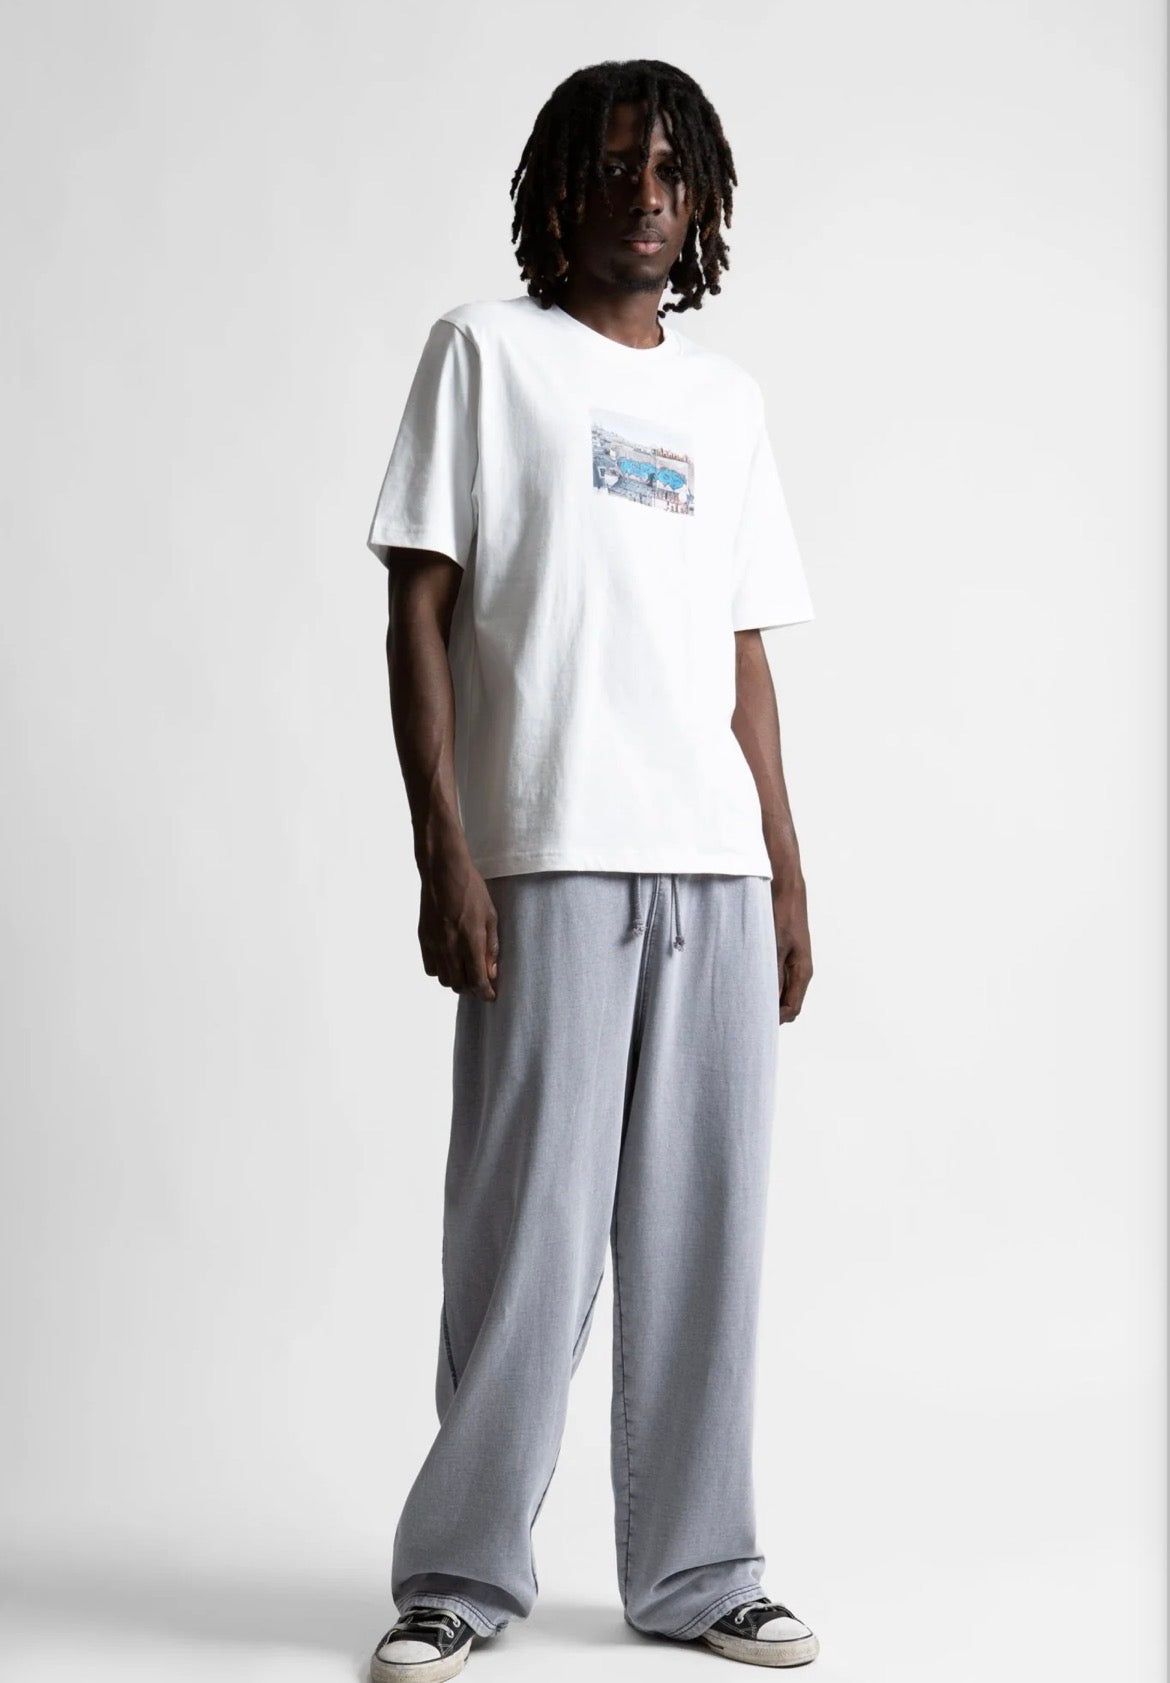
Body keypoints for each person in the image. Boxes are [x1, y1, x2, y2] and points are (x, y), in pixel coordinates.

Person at [363, 58, 820, 1681]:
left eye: (671, 173)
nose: (645, 195)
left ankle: (700, 1571)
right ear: (559, 186)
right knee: (525, 1242)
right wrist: (445, 846)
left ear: (701, 206)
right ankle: (456, 1576)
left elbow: (742, 654)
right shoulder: (484, 356)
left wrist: (783, 864)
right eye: (618, 165)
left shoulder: (726, 405)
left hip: (707, 867)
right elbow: (418, 609)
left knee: (704, 1242)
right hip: (547, 855)